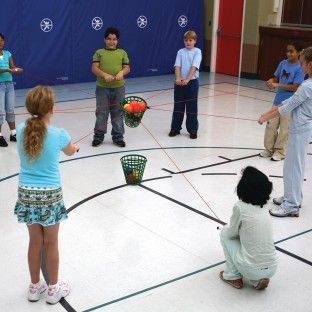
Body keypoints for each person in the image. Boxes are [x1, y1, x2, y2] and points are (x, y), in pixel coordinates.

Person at [14, 86, 79, 304]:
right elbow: (70, 150)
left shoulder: (22, 129)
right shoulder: (59, 134)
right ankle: (52, 290)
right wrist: (75, 147)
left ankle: (34, 287)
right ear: (52, 108)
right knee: (51, 243)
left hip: (27, 193)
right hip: (50, 195)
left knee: (34, 242)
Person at [258, 47, 312, 217]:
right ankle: (293, 197)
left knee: (293, 167)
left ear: (309, 64)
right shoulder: (307, 84)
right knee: (294, 165)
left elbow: (288, 106)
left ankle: (291, 205)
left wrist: (265, 116)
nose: (301, 66)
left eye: (302, 63)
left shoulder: (306, 86)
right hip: (301, 129)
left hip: (300, 130)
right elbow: (291, 100)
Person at [219, 166, 278, 290]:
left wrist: (230, 229)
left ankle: (232, 275)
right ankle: (256, 280)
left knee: (224, 232)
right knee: (251, 242)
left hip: (250, 267)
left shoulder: (240, 207)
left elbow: (231, 234)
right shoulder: (265, 206)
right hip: (273, 266)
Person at [260, 42, 304, 161]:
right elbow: (275, 77)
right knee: (271, 126)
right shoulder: (283, 63)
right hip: (277, 100)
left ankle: (280, 152)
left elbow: (295, 87)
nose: (288, 54)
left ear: (298, 53)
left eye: (291, 51)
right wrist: (271, 81)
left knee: (284, 129)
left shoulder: (300, 68)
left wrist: (277, 84)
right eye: (287, 51)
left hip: (290, 103)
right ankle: (269, 149)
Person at [91, 27, 130, 147]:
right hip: (102, 88)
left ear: (117, 41)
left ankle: (118, 137)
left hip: (119, 88)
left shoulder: (122, 53)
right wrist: (104, 75)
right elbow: (94, 68)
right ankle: (98, 136)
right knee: (102, 112)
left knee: (118, 113)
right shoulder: (99, 52)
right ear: (104, 39)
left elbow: (127, 68)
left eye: (114, 39)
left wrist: (121, 73)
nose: (111, 42)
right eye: (109, 39)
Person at [169, 30, 202, 139]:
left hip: (191, 82)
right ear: (184, 41)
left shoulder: (197, 51)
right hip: (180, 83)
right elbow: (177, 66)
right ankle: (175, 128)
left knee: (191, 107)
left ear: (195, 41)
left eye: (191, 40)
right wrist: (178, 78)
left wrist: (187, 79)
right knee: (178, 106)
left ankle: (193, 129)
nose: (188, 42)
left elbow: (194, 66)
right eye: (186, 40)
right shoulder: (180, 52)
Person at [0, 32, 23, 147]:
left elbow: (12, 66)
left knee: (10, 109)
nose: (0, 42)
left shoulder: (7, 53)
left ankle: (13, 134)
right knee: (0, 111)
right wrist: (8, 70)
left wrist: (16, 69)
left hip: (9, 85)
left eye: (2, 40)